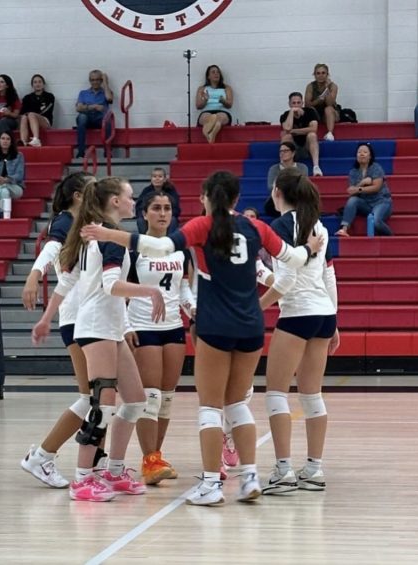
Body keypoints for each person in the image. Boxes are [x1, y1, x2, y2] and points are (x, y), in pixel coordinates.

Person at [80, 171, 324, 506]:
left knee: (210, 407)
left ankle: (211, 484)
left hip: (215, 325)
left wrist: (110, 233)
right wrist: (309, 250)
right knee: (238, 403)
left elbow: (161, 245)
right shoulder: (256, 228)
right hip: (252, 326)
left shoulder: (202, 226)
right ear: (237, 199)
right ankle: (250, 475)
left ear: (206, 197)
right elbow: (294, 260)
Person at [32, 177, 166, 502]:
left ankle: (115, 471)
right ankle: (82, 479)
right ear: (115, 201)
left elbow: (69, 282)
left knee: (135, 400)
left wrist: (47, 318)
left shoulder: (97, 235)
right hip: (96, 327)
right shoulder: (108, 239)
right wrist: (150, 290)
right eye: (130, 196)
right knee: (101, 404)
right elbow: (110, 285)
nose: (134, 201)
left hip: (111, 326)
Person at [259, 168, 339, 494]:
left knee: (276, 393)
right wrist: (335, 320)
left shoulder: (279, 226)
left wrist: (258, 307)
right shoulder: (319, 226)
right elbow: (328, 277)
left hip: (297, 314)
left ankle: (283, 471)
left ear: (277, 190)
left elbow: (288, 281)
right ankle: (314, 469)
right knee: (311, 394)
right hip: (323, 314)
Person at [21, 172, 97, 489]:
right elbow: (51, 249)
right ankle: (42, 455)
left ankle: (97, 465)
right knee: (93, 397)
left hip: (92, 316)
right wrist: (34, 274)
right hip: (79, 318)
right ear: (79, 195)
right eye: (92, 187)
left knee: (103, 397)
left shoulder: (89, 225)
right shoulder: (66, 221)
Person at [126, 192, 196, 485]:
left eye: (167, 208)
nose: (162, 213)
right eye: (156, 208)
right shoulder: (134, 250)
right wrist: (125, 325)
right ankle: (149, 460)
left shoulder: (181, 250)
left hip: (173, 328)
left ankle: (155, 456)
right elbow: (119, 290)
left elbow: (183, 290)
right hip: (144, 325)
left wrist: (193, 311)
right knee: (150, 397)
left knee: (166, 399)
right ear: (144, 213)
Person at [335, 142, 393, 237]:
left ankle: (391, 237)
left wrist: (358, 189)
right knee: (353, 200)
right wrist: (362, 183)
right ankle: (343, 229)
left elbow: (376, 187)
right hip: (366, 204)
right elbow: (351, 192)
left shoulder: (376, 167)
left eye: (365, 152)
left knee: (376, 222)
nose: (361, 154)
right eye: (359, 152)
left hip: (381, 201)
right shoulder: (353, 172)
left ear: (370, 156)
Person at [280, 92, 323, 176]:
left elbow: (314, 129)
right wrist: (291, 112)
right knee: (286, 137)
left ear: (302, 103)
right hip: (293, 148)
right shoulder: (285, 115)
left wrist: (294, 131)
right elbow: (287, 128)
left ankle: (316, 167)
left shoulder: (310, 112)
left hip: (307, 147)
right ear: (289, 104)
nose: (296, 105)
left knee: (312, 135)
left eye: (298, 103)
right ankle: (284, 166)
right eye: (293, 103)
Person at [265, 141, 310, 217]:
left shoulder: (302, 167)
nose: (282, 153)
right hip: (280, 197)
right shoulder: (274, 169)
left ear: (293, 153)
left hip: (297, 197)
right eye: (281, 151)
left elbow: (303, 184)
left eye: (285, 151)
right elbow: (270, 186)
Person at [75, 70, 113, 158]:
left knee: (108, 119)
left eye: (97, 80)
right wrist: (93, 106)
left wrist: (106, 83)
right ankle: (81, 152)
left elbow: (109, 99)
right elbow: (78, 108)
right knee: (82, 117)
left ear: (101, 80)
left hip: (100, 119)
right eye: (92, 80)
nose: (95, 82)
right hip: (86, 118)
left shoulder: (106, 92)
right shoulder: (83, 93)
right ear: (90, 81)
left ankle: (107, 152)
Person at [0, 131, 24, 217]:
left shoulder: (19, 156)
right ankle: (6, 217)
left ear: (11, 142)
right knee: (4, 191)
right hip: (0, 185)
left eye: (8, 139)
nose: (5, 141)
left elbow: (19, 175)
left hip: (15, 187)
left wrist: (6, 179)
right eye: (3, 138)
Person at [135, 167, 181, 234]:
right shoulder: (146, 191)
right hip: (151, 217)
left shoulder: (171, 191)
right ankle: (145, 241)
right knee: (140, 220)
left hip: (165, 216)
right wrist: (148, 216)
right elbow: (139, 207)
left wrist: (164, 214)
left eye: (160, 176)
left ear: (165, 179)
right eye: (154, 176)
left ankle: (170, 241)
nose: (157, 178)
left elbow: (176, 209)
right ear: (151, 179)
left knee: (173, 220)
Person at [196, 64, 233, 144]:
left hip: (222, 111)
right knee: (206, 117)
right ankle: (213, 131)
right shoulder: (202, 89)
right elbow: (198, 106)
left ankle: (207, 132)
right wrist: (205, 100)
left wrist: (223, 101)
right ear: (208, 76)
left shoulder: (227, 88)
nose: (216, 74)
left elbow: (230, 104)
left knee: (219, 116)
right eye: (213, 72)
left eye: (218, 72)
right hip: (207, 111)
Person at [304, 64, 339, 141]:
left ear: (327, 74)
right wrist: (320, 99)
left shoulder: (333, 86)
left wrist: (326, 89)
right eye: (318, 73)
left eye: (323, 73)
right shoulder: (310, 86)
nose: (321, 75)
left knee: (328, 109)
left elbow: (330, 103)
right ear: (314, 75)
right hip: (316, 113)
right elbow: (307, 104)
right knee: (310, 111)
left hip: (330, 113)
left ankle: (330, 134)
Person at [19, 74, 55, 147]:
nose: (37, 84)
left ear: (43, 84)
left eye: (39, 82)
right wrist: (29, 114)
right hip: (29, 120)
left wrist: (31, 113)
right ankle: (23, 142)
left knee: (31, 114)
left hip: (45, 121)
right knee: (24, 117)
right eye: (35, 82)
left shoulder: (49, 96)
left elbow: (46, 110)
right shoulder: (27, 98)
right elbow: (22, 112)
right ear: (32, 85)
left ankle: (36, 139)